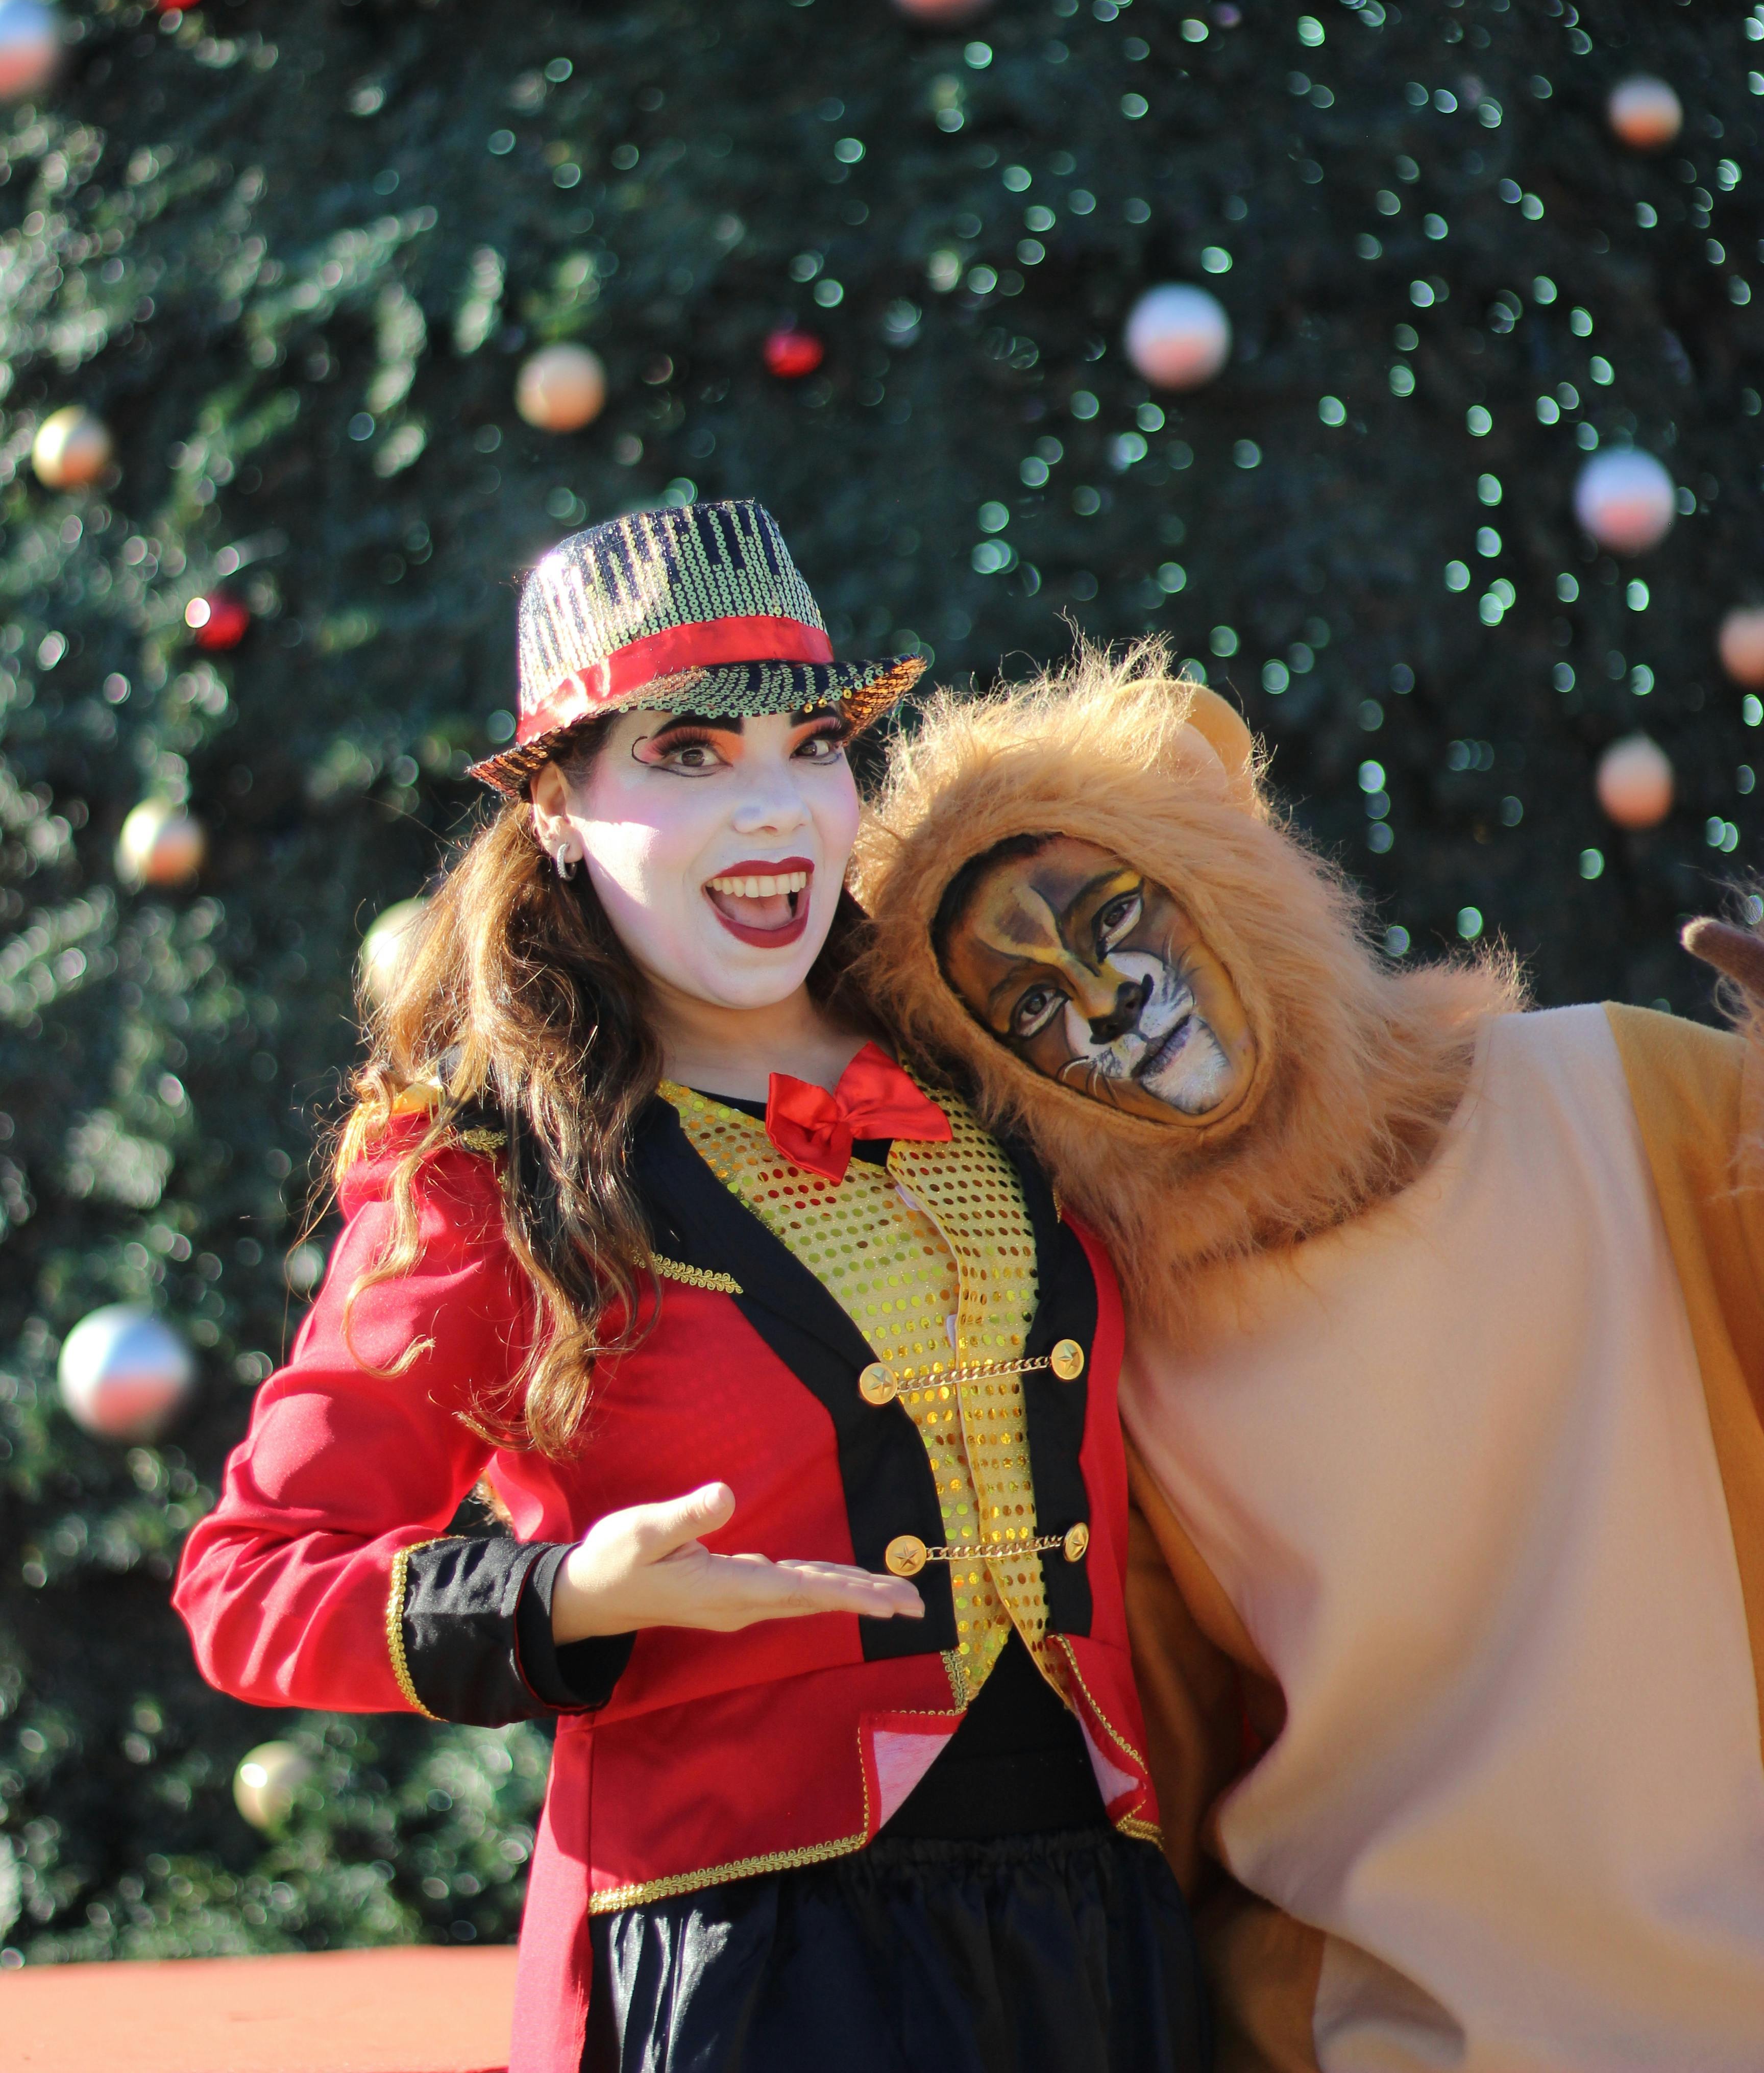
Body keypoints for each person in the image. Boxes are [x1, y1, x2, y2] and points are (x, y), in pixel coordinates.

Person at [174, 504, 1208, 2073]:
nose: (779, 810)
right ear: (558, 809)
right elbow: (247, 1583)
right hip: (747, 1973)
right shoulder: (482, 1174)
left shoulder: (1012, 1071)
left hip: (1097, 1937)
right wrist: (563, 1598)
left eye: (810, 746)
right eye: (687, 757)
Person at [852, 645, 1764, 2073]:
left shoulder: (1627, 1095)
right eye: (1029, 1008)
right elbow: (1147, 1787)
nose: (1098, 1001)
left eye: (1115, 915)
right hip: (1380, 2040)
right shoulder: (1119, 1363)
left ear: (1227, 868)